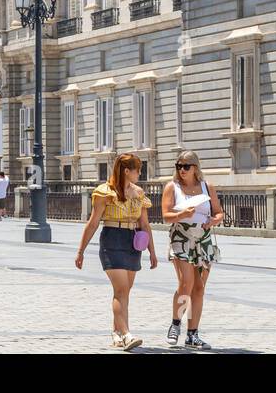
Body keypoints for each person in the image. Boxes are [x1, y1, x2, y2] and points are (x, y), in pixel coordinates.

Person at [75, 152, 157, 351]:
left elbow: (145, 224)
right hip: (112, 239)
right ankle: (127, 334)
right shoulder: (105, 192)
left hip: (133, 242)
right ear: (127, 171)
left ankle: (117, 332)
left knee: (124, 291)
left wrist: (152, 252)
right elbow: (93, 223)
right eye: (138, 170)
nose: (140, 173)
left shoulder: (139, 193)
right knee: (121, 290)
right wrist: (81, 251)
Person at [161, 150, 224, 350]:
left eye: (186, 166)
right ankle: (175, 324)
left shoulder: (207, 187)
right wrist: (182, 214)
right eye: (178, 166)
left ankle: (192, 334)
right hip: (181, 236)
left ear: (195, 167)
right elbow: (166, 215)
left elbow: (219, 212)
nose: (181, 170)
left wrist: (214, 220)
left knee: (199, 288)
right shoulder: (172, 187)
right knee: (185, 283)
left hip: (203, 239)